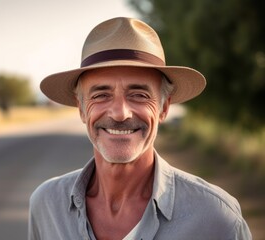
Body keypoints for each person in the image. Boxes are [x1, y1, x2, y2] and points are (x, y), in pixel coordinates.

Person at [28, 17, 252, 240]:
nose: (120, 113)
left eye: (139, 95)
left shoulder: (216, 218)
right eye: (101, 95)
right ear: (82, 109)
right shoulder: (47, 205)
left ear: (164, 107)